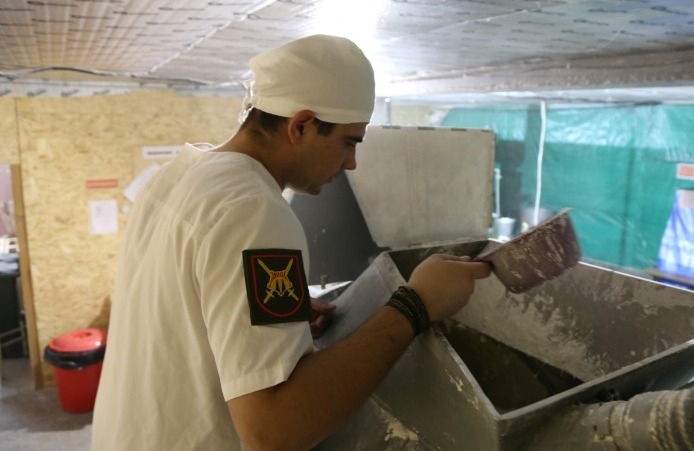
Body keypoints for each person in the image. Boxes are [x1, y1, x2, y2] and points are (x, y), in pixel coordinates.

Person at [91, 34, 490, 450]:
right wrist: (415, 305)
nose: (351, 163)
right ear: (300, 125)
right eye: (348, 142)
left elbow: (183, 304)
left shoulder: (179, 175)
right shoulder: (253, 210)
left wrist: (277, 315)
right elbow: (274, 430)